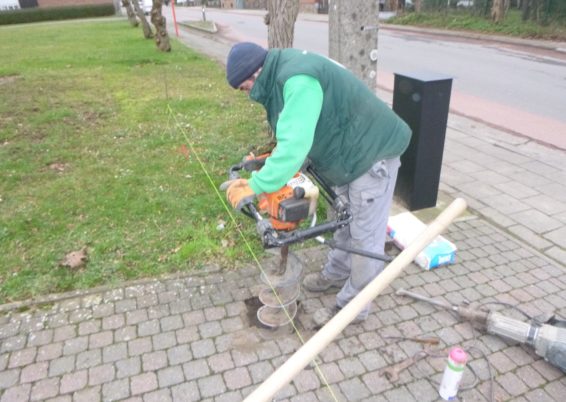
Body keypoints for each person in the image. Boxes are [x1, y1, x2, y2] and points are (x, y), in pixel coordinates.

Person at [224, 42, 411, 327]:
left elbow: (294, 146)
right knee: (345, 220)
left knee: (365, 236)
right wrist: (269, 164)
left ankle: (352, 308)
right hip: (348, 151)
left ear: (253, 75)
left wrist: (255, 185)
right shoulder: (282, 72)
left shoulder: (296, 79)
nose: (247, 94)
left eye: (244, 89)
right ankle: (336, 273)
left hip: (372, 153)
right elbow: (297, 129)